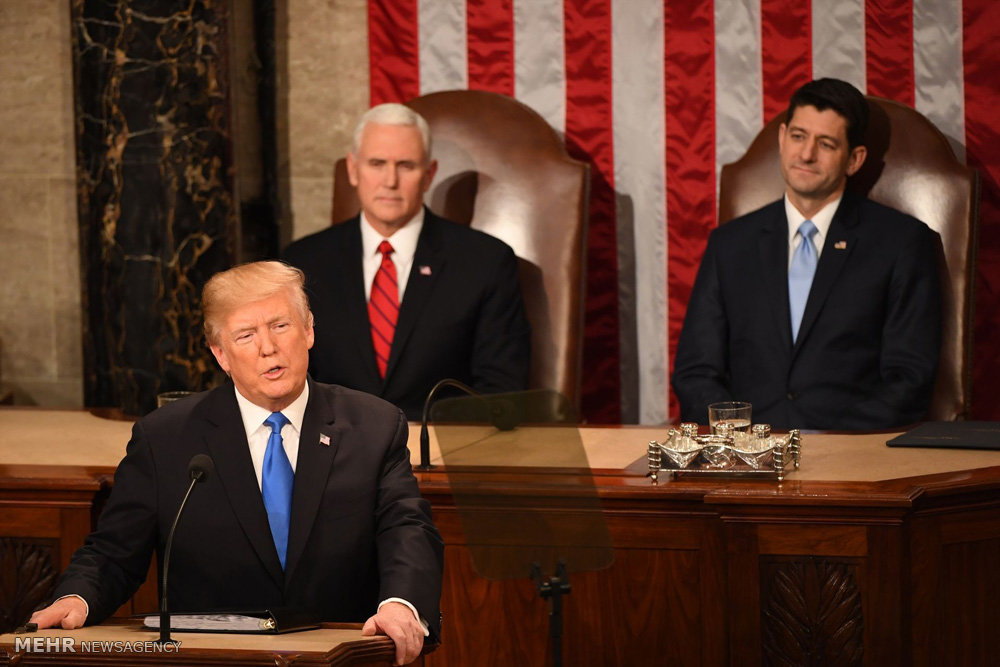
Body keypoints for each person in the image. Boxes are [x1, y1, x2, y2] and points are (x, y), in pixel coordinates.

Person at [31, 261, 443, 666]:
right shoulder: (165, 438)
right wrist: (76, 598)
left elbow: (406, 527)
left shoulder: (373, 425)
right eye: (246, 335)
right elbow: (114, 551)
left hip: (345, 654)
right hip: (212, 659)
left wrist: (401, 604)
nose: (268, 348)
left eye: (280, 325)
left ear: (308, 330)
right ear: (220, 354)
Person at [672, 78, 941, 430]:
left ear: (854, 160)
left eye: (826, 144)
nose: (806, 154)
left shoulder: (901, 242)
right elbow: (695, 372)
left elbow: (909, 378)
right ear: (782, 138)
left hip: (853, 450)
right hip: (746, 450)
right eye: (798, 136)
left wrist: (834, 443)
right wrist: (743, 439)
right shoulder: (730, 244)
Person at [283, 103, 531, 420]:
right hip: (333, 443)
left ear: (428, 175)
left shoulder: (485, 262)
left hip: (442, 444)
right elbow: (287, 379)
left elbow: (501, 390)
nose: (390, 181)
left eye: (406, 165)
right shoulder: (302, 263)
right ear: (353, 170)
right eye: (377, 163)